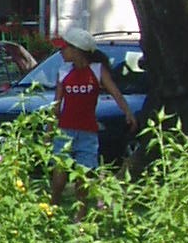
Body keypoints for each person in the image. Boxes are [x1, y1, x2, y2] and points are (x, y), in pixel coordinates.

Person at [50, 26, 139, 200]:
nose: (61, 52)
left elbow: (115, 93)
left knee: (83, 175)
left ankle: (80, 212)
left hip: (88, 131)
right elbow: (56, 105)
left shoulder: (97, 70)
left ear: (76, 50)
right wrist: (49, 130)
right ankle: (52, 206)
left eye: (64, 47)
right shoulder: (64, 71)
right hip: (65, 130)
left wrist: (128, 112)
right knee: (60, 172)